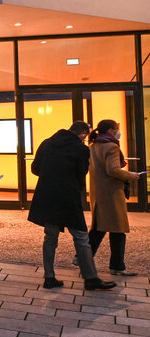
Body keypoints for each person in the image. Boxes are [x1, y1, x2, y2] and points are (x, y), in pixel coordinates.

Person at [29, 121, 117, 291]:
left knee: (50, 237)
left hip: (47, 196)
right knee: (82, 238)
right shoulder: (81, 149)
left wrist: (50, 176)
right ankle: (91, 278)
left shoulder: (47, 143)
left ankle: (49, 277)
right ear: (83, 134)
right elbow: (80, 175)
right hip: (68, 198)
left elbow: (35, 168)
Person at [88, 119, 140, 276]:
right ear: (111, 131)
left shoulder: (93, 146)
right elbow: (113, 170)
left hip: (99, 192)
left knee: (100, 227)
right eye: (117, 129)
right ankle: (116, 266)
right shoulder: (111, 146)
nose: (118, 132)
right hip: (111, 192)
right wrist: (131, 175)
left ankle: (83, 258)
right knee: (117, 229)